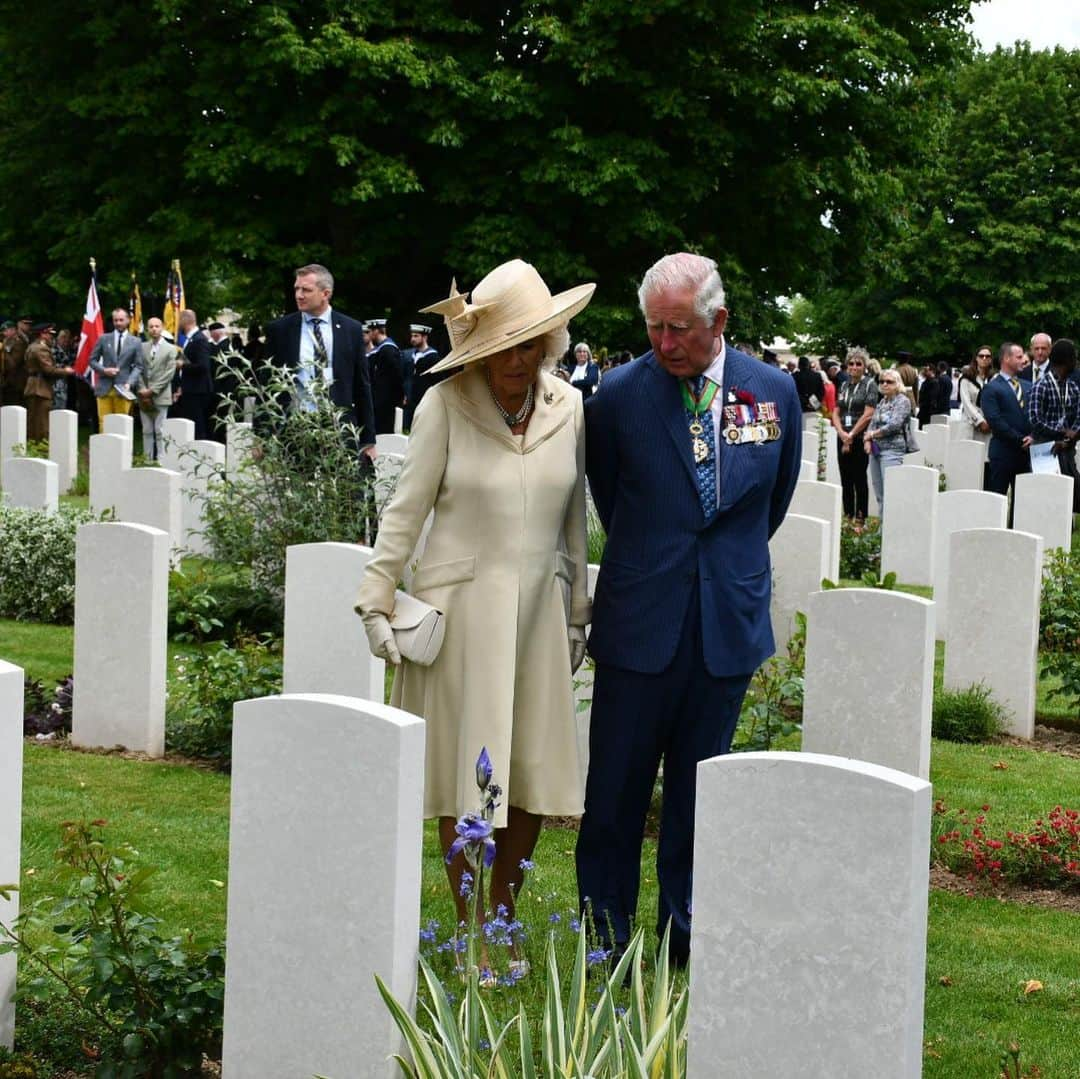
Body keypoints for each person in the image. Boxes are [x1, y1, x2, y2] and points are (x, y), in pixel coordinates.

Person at [355, 259, 595, 957]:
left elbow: (573, 515)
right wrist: (377, 597)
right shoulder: (446, 405)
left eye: (529, 343)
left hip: (535, 624)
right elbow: (406, 511)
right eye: (502, 346)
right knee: (470, 779)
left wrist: (578, 607)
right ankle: (469, 929)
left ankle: (502, 917)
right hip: (460, 620)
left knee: (525, 774)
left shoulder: (569, 407)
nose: (516, 360)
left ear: (549, 343)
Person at [576, 252, 800, 968]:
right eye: (654, 328)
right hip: (642, 622)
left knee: (701, 798)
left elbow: (773, 496)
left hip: (724, 625)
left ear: (719, 320)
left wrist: (720, 571)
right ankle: (605, 938)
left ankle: (685, 935)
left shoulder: (772, 393)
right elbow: (612, 496)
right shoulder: (617, 396)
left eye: (680, 328)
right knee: (614, 792)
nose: (666, 344)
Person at [262, 263, 376, 453]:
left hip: (338, 427)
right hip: (295, 427)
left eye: (306, 290)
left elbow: (361, 385)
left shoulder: (350, 329)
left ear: (325, 293)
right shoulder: (280, 330)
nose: (299, 295)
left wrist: (368, 439)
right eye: (296, 289)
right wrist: (262, 435)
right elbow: (268, 383)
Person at [981, 341, 1032, 514]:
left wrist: (1032, 436)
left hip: (1026, 455)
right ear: (1006, 359)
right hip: (1003, 453)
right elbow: (995, 420)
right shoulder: (992, 388)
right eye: (1018, 357)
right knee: (997, 502)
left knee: (1023, 505)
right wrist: (1019, 439)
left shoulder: (1028, 386)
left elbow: (1035, 415)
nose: (1023, 361)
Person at [1028, 337, 1080, 508]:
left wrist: (1068, 439)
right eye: (1074, 357)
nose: (1076, 361)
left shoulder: (1072, 387)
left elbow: (1078, 418)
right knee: (1045, 502)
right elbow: (1035, 420)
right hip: (1045, 452)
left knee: (1068, 502)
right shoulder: (1041, 386)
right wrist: (1063, 433)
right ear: (1067, 360)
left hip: (1066, 450)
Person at [831, 346, 879, 522]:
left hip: (859, 438)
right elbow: (836, 411)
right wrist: (841, 432)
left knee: (859, 477)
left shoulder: (870, 385)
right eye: (851, 363)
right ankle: (848, 515)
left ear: (864, 366)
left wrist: (851, 435)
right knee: (845, 478)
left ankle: (861, 517)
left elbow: (869, 413)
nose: (854, 367)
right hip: (843, 436)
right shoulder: (844, 384)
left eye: (858, 364)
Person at [864, 368, 913, 517]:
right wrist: (867, 440)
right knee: (879, 491)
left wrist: (872, 434)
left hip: (892, 451)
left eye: (889, 382)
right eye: (882, 381)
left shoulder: (903, 401)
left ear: (897, 383)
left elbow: (894, 425)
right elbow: (873, 422)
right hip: (876, 450)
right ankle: (881, 527)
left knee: (890, 492)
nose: (884, 384)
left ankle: (891, 526)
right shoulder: (882, 401)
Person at [88, 307, 143, 427]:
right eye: (115, 320)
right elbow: (92, 360)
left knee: (122, 424)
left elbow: (138, 366)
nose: (118, 323)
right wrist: (104, 370)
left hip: (123, 388)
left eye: (121, 320)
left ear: (128, 320)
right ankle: (104, 446)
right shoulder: (103, 338)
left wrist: (130, 382)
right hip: (104, 388)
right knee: (104, 423)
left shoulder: (136, 341)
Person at [137, 317, 181, 460]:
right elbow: (137, 369)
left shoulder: (171, 349)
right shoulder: (142, 347)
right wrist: (143, 389)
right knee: (147, 429)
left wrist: (153, 390)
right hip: (143, 395)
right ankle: (147, 457)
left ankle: (161, 458)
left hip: (161, 395)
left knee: (160, 429)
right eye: (151, 327)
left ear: (162, 328)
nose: (154, 329)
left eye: (157, 326)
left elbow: (169, 373)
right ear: (147, 329)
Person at [23, 323, 73, 442]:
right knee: (42, 421)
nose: (51, 337)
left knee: (34, 420)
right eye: (49, 334)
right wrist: (65, 371)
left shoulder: (32, 346)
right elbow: (49, 369)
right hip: (40, 388)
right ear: (43, 334)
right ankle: (42, 449)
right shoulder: (40, 348)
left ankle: (33, 446)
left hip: (34, 386)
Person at [171, 310, 214, 438]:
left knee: (198, 426)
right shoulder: (191, 339)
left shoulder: (199, 339)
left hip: (198, 391)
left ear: (185, 320)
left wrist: (182, 365)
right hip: (190, 389)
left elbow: (203, 366)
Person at [366, 318, 404, 434]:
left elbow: (396, 375)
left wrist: (400, 396)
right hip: (382, 398)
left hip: (387, 400)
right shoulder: (382, 349)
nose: (369, 334)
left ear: (376, 331)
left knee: (385, 430)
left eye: (370, 331)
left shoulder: (388, 349)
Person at [402, 323, 442, 429]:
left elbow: (436, 380)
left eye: (416, 336)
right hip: (411, 398)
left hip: (425, 397)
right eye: (412, 336)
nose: (412, 339)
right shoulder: (411, 356)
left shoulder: (433, 357)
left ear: (424, 337)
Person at [958, 346, 993, 448]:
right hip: (970, 423)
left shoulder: (993, 379)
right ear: (976, 358)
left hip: (988, 424)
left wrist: (990, 421)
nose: (984, 359)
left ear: (991, 359)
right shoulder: (966, 378)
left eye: (987, 356)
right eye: (981, 356)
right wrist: (980, 421)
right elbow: (966, 403)